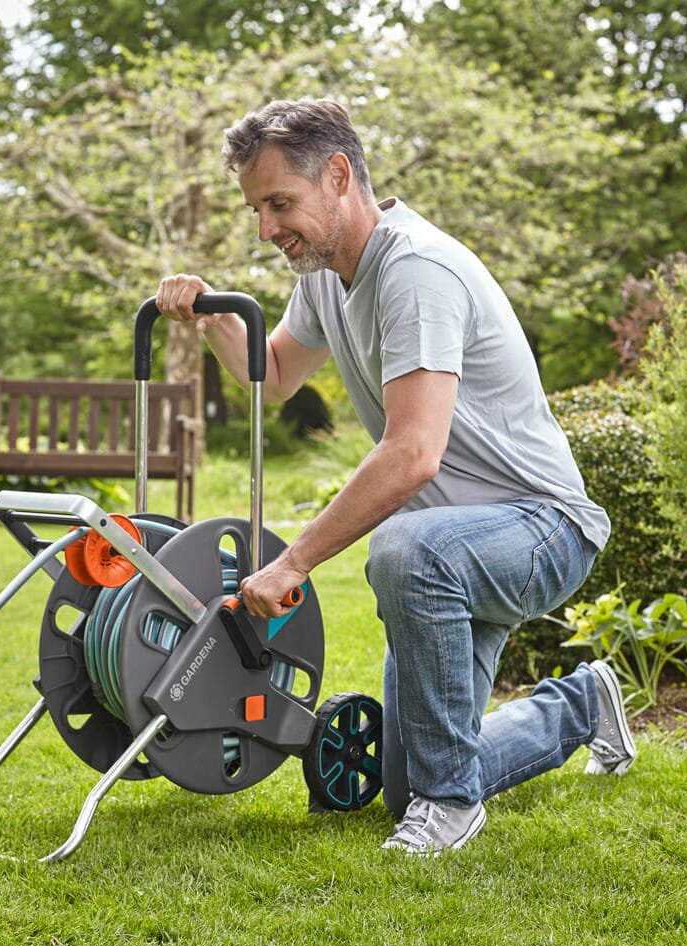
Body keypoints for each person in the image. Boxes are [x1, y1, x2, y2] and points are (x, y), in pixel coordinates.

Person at [154, 99, 636, 855]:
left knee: (406, 550)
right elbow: (274, 375)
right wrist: (214, 314)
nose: (266, 229)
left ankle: (453, 807)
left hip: (540, 528)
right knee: (402, 783)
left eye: (280, 203)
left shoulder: (414, 269)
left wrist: (293, 562)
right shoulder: (324, 275)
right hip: (453, 546)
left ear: (339, 176)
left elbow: (413, 455)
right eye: (257, 208)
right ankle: (581, 706)